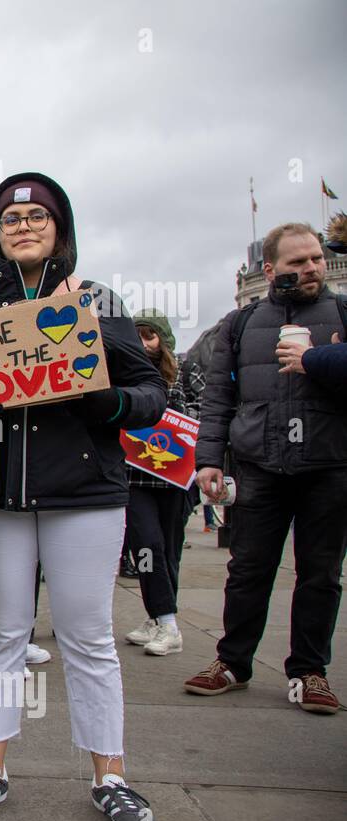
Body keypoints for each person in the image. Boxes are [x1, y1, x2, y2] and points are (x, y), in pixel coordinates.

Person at [0, 174, 167, 821]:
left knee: (89, 639)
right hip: (3, 500)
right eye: (10, 219)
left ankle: (110, 777)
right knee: (2, 634)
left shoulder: (95, 301)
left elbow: (149, 390)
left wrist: (108, 402)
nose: (25, 225)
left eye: (39, 216)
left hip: (85, 496)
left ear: (60, 228)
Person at [188, 222, 347, 714]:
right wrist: (209, 459)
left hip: (329, 463)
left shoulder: (341, 311)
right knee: (248, 569)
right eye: (298, 262)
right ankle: (233, 661)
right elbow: (218, 397)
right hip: (259, 464)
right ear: (269, 269)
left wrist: (318, 360)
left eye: (317, 259)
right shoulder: (240, 325)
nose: (311, 269)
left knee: (320, 573)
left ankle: (309, 671)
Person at [123, 309, 203, 655]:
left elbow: (207, 408)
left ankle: (161, 618)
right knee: (145, 547)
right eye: (137, 336)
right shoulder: (125, 372)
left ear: (163, 339)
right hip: (135, 477)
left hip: (175, 477)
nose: (143, 344)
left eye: (150, 336)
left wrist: (181, 425)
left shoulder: (186, 371)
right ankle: (165, 619)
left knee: (169, 549)